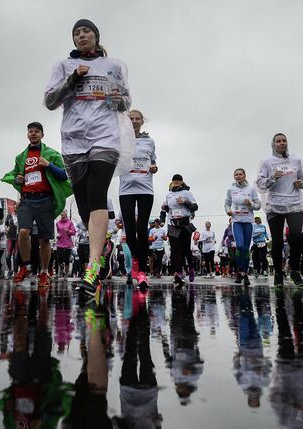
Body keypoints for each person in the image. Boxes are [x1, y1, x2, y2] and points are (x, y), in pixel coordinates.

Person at [44, 18, 134, 298]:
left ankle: (92, 267)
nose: (81, 36)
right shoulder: (63, 66)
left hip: (105, 138)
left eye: (86, 31)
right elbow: (49, 101)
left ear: (96, 36)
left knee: (97, 195)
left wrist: (119, 98)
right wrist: (72, 80)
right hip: (74, 140)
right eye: (76, 33)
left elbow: (125, 102)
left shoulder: (113, 65)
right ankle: (102, 244)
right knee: (83, 203)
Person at [3, 122, 72, 289]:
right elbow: (15, 175)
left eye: (36, 132)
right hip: (26, 200)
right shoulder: (21, 157)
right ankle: (25, 267)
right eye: (30, 131)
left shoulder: (51, 154)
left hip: (45, 200)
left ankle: (44, 272)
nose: (33, 134)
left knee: (44, 239)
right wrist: (17, 179)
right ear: (27, 135)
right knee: (23, 232)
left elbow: (64, 175)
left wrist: (48, 165)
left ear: (42, 135)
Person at [255, 133, 303, 287]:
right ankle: (278, 275)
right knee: (278, 241)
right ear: (273, 144)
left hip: (294, 204)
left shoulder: (296, 160)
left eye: (284, 140)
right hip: (275, 205)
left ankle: (295, 272)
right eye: (278, 141)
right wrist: (272, 177)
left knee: (296, 239)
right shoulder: (267, 162)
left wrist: (302, 183)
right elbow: (260, 184)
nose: (282, 143)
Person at [118, 109, 158, 289]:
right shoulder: (120, 139)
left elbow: (154, 161)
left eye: (137, 118)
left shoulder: (149, 141)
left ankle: (142, 271)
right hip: (126, 189)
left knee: (142, 229)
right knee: (130, 229)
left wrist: (154, 167)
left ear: (142, 121)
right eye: (131, 118)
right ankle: (135, 259)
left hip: (145, 188)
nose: (134, 121)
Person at [225, 168, 262, 285]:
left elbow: (258, 206)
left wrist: (250, 204)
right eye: (236, 174)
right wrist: (228, 211)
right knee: (239, 245)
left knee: (246, 249)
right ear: (234, 176)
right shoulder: (231, 189)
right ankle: (239, 271)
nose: (238, 176)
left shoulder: (251, 189)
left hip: (248, 222)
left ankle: (244, 273)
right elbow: (227, 203)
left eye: (240, 174)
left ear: (244, 176)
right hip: (237, 221)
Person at [161, 174, 198, 285]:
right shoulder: (169, 195)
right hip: (173, 224)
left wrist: (186, 202)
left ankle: (191, 269)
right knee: (175, 250)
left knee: (186, 249)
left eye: (178, 180)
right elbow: (166, 210)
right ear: (172, 182)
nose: (176, 182)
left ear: (182, 182)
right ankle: (178, 273)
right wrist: (165, 209)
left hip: (184, 224)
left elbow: (195, 207)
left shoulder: (187, 193)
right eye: (174, 180)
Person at [53, 210, 76, 278]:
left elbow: (74, 232)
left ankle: (66, 274)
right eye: (61, 213)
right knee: (59, 258)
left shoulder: (70, 222)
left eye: (63, 213)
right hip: (60, 243)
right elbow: (58, 231)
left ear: (66, 214)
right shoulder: (57, 223)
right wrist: (58, 235)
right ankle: (62, 270)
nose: (62, 214)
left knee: (66, 259)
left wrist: (69, 231)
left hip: (68, 244)